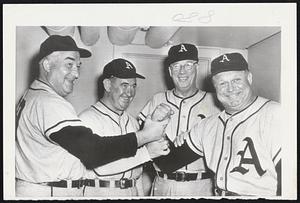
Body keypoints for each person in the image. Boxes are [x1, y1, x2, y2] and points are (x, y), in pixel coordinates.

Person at [15, 35, 171, 197]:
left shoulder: (34, 95)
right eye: (69, 64)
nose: (76, 73)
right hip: (49, 192)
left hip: (46, 188)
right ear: (47, 64)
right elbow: (93, 152)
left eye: (78, 66)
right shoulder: (48, 102)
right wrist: (146, 137)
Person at [173, 52, 282, 196]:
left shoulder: (275, 114)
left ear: (249, 77)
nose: (230, 89)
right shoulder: (208, 125)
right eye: (222, 83)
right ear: (214, 87)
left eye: (236, 80)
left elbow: (290, 181)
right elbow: (170, 162)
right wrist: (153, 131)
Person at [79, 58, 170, 197]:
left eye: (133, 86)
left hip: (131, 191)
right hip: (101, 192)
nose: (130, 92)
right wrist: (147, 153)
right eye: (124, 85)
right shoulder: (87, 119)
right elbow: (100, 168)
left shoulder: (133, 122)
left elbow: (137, 174)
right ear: (108, 85)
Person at [138, 43, 221, 196]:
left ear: (197, 67)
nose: (182, 72)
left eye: (188, 65)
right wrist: (154, 124)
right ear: (170, 71)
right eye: (176, 66)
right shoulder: (157, 100)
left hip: (201, 185)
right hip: (163, 183)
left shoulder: (214, 102)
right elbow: (140, 143)